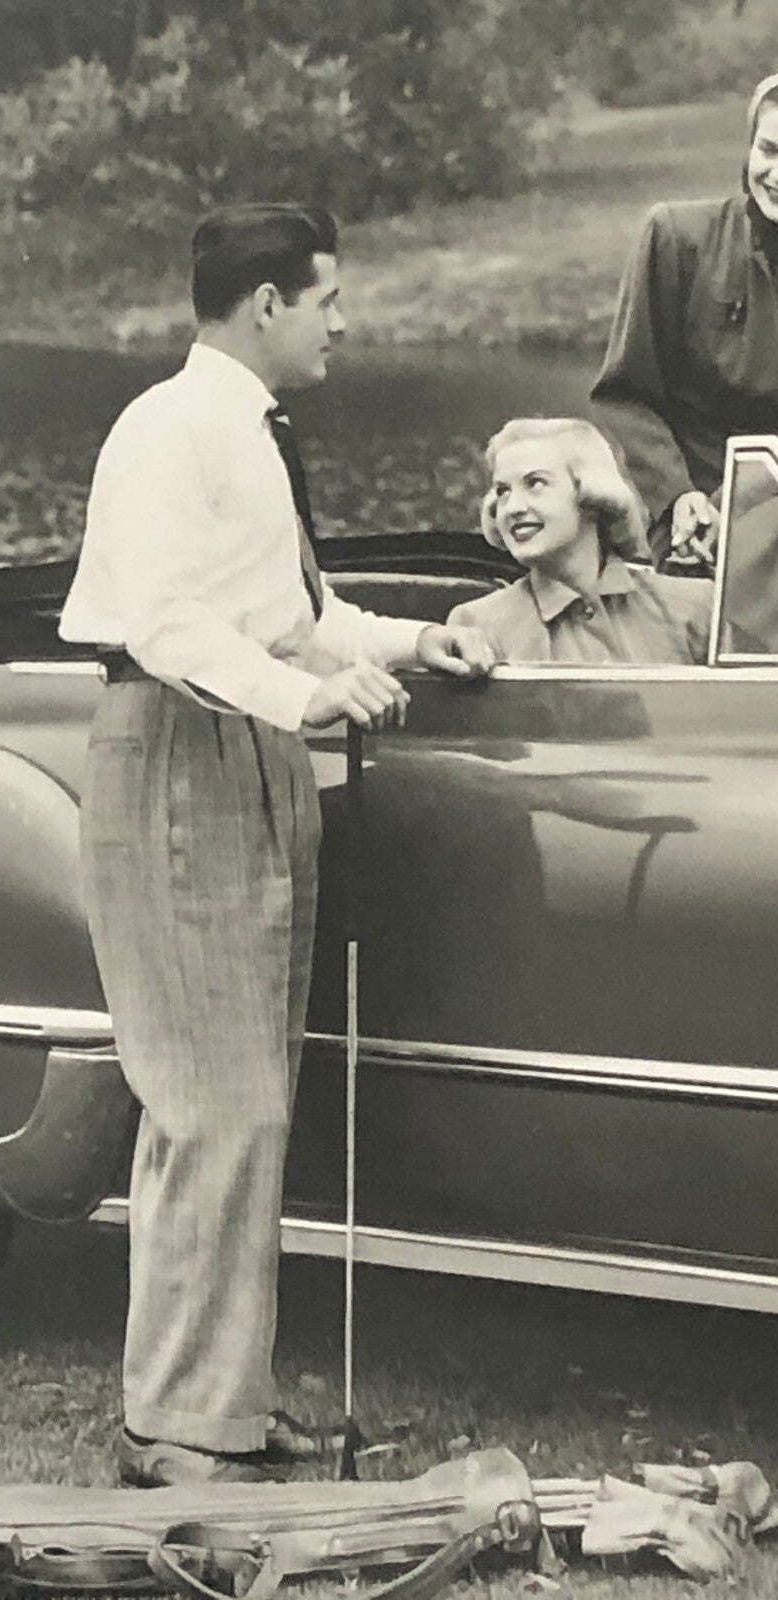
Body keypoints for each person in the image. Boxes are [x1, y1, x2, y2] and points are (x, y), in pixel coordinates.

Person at [57, 205, 497, 1489]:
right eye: (325, 299)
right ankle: (176, 1430)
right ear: (263, 304)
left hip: (247, 751)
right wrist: (305, 701)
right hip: (182, 751)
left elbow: (294, 619)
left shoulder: (249, 433)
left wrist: (417, 644)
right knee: (213, 1105)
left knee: (250, 1101)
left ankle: (220, 1409)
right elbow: (165, 625)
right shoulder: (166, 431)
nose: (341, 321)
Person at [590, 73, 778, 567]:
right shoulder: (677, 237)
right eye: (769, 150)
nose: (777, 173)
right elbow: (626, 394)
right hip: (693, 521)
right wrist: (678, 497)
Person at [447, 417, 711, 664]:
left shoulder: (694, 607)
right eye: (503, 491)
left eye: (535, 483)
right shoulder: (477, 625)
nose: (512, 507)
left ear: (592, 497)